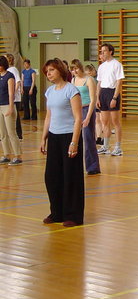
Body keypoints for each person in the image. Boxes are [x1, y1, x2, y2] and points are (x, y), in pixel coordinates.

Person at [40, 58, 84, 227]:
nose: (48, 74)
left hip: (69, 136)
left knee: (70, 177)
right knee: (52, 176)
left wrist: (74, 142)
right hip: (54, 136)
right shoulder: (50, 91)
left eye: (51, 70)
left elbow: (78, 118)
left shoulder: (71, 90)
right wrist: (44, 138)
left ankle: (73, 215)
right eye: (47, 71)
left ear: (60, 71)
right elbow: (48, 116)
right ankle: (56, 212)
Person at [71, 59, 101, 175]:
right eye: (72, 70)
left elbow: (93, 100)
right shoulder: (73, 80)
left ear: (80, 67)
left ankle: (92, 166)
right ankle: (76, 166)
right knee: (75, 138)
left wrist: (88, 117)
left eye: (76, 68)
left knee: (88, 139)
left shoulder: (89, 80)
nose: (75, 71)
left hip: (86, 109)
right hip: (76, 110)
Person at [96, 43, 125, 156]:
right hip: (103, 93)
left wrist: (114, 97)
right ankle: (105, 146)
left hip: (112, 92)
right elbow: (99, 83)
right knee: (104, 122)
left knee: (115, 122)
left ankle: (118, 147)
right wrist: (98, 97)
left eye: (104, 51)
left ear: (110, 52)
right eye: (101, 51)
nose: (102, 53)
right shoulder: (101, 66)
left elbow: (119, 82)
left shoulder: (117, 64)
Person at [0, 56, 22, 165]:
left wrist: (10, 107)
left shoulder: (10, 76)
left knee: (11, 132)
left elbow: (11, 93)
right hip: (0, 107)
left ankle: (17, 156)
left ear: (2, 65)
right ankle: (6, 155)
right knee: (2, 133)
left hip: (8, 106)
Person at [5, 54, 22, 140]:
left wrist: (13, 93)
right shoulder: (6, 70)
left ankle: (19, 135)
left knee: (15, 117)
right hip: (8, 98)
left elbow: (18, 82)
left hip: (15, 98)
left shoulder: (13, 69)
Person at [85, 64, 103, 144]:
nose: (88, 75)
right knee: (97, 120)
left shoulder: (96, 79)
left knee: (100, 119)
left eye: (89, 73)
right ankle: (97, 137)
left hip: (98, 100)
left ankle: (99, 137)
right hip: (93, 101)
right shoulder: (89, 79)